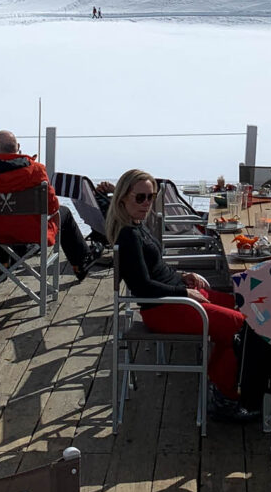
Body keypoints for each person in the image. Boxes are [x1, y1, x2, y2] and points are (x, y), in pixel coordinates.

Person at [105, 169, 253, 420]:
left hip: (174, 299)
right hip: (164, 309)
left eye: (150, 197)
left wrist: (182, 275)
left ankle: (220, 383)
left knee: (247, 307)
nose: (146, 203)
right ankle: (224, 396)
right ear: (122, 198)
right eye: (139, 197)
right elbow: (143, 286)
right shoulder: (128, 235)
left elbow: (156, 269)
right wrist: (183, 291)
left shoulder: (136, 226)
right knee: (242, 327)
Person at [0, 130, 98, 280]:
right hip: (32, 234)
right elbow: (52, 207)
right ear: (18, 148)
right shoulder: (36, 170)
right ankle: (81, 264)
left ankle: (3, 261)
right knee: (64, 212)